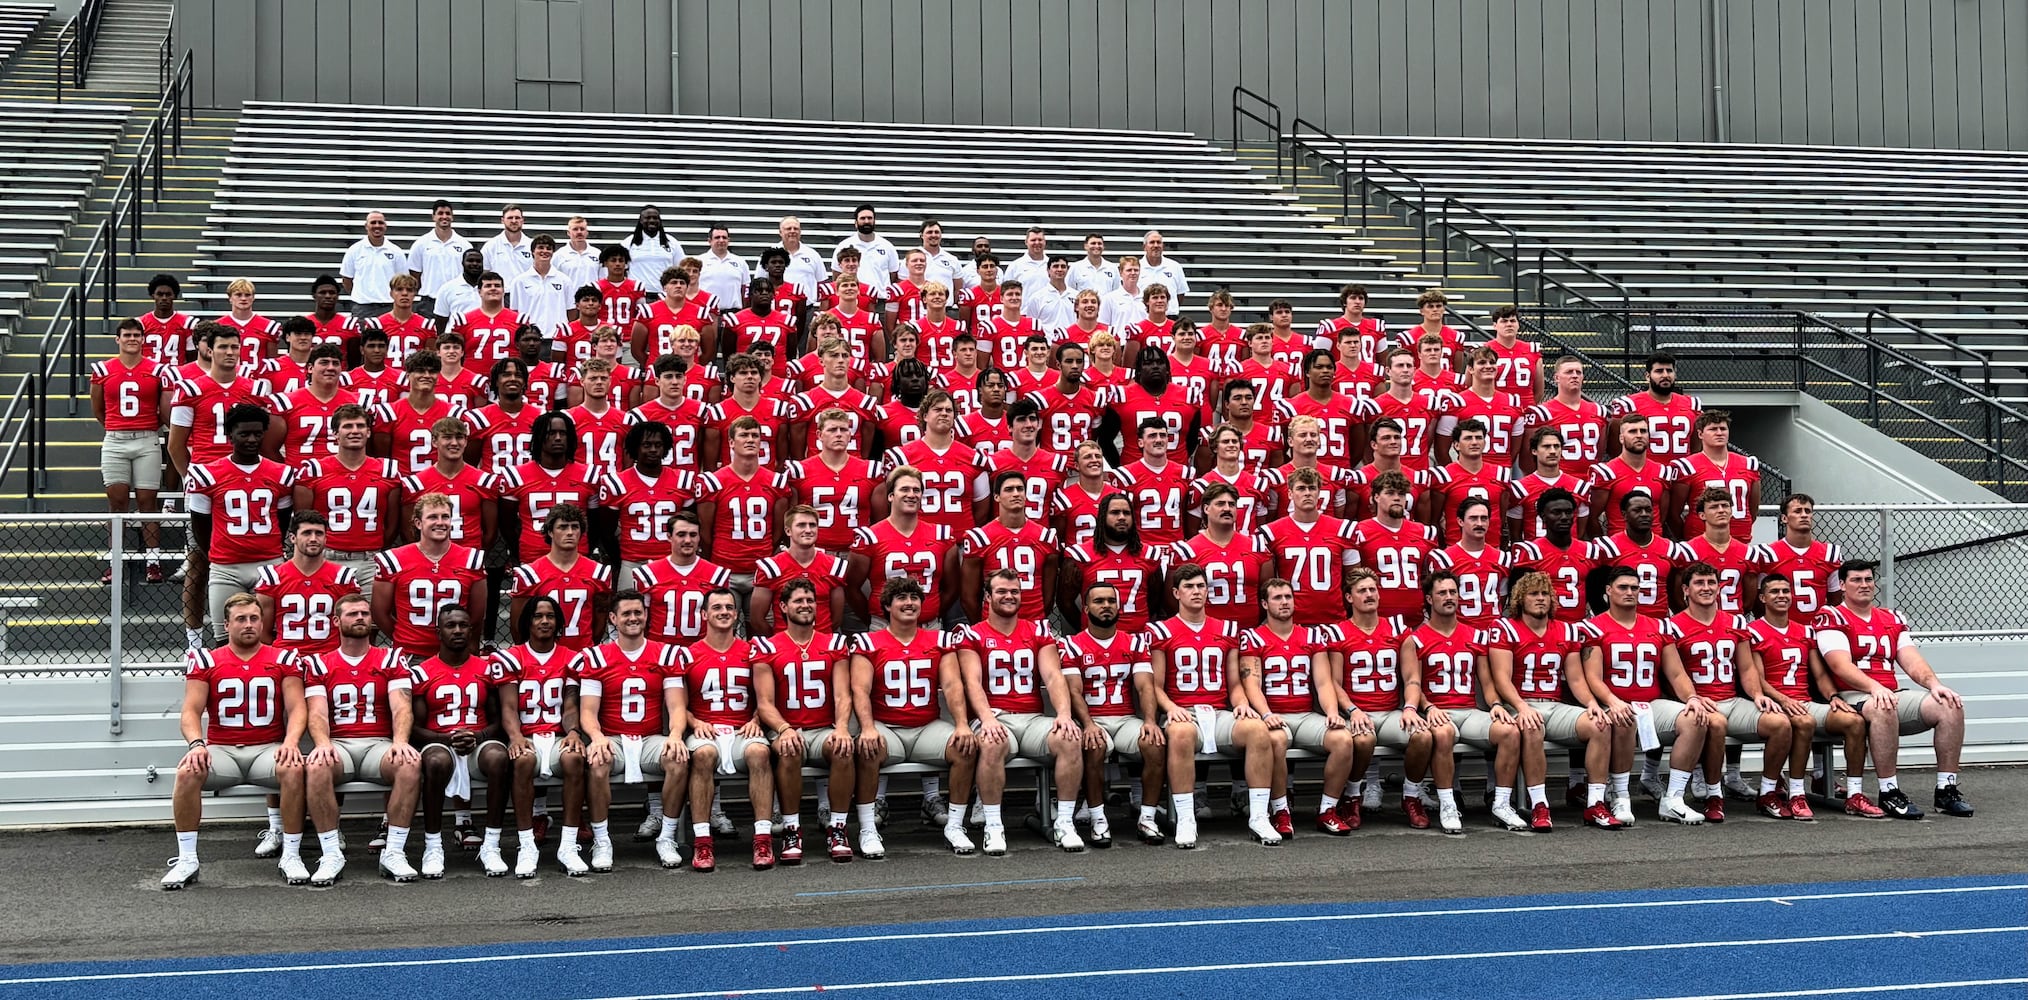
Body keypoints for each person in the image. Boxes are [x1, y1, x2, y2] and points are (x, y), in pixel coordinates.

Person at [163, 594, 318, 889]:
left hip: (267, 749)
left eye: (254, 618)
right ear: (227, 624)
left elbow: (298, 707)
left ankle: (292, 854)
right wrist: (197, 745)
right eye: (241, 619)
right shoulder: (207, 659)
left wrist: (291, 742)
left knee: (293, 768)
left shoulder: (283, 657)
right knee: (186, 772)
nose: (249, 625)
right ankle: (187, 859)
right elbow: (190, 711)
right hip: (222, 750)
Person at [1814, 560, 1973, 819]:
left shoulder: (1891, 617)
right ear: (1842, 585)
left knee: (1949, 704)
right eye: (1856, 580)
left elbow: (1911, 659)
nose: (1864, 585)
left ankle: (1946, 789)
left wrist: (1934, 684)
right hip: (1852, 694)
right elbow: (1839, 665)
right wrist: (1874, 687)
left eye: (1868, 579)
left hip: (1889, 692)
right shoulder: (1832, 616)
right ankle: (1889, 791)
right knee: (1883, 706)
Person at [957, 569, 1086, 853]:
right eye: (1002, 591)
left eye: (1014, 591)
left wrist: (1064, 714)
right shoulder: (972, 634)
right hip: (995, 716)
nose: (1009, 596)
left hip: (1032, 719)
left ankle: (1064, 822)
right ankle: (993, 825)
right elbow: (972, 682)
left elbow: (1053, 677)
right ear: (988, 597)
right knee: (992, 742)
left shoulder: (1037, 630)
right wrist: (987, 718)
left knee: (1070, 738)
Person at [1146, 563, 1273, 846]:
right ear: (1176, 593)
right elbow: (1155, 686)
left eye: (1201, 586)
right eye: (1189, 587)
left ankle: (1259, 816)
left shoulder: (1227, 629)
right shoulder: (1162, 631)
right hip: (1184, 710)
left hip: (1218, 711)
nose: (1196, 592)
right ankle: (1186, 817)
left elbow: (1235, 684)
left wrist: (1241, 704)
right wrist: (1171, 708)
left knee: (1258, 731)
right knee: (1180, 734)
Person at [300, 593, 424, 880]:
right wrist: (322, 744)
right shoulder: (320, 664)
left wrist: (400, 742)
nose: (360, 618)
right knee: (317, 765)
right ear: (336, 621)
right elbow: (316, 713)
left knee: (409, 764)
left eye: (365, 614)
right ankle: (331, 854)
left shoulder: (391, 658)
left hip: (378, 744)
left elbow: (401, 707)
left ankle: (393, 852)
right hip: (340, 744)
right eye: (353, 614)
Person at [1580, 566, 1712, 826]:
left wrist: (1692, 698)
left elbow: (1676, 674)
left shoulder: (1658, 625)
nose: (1630, 593)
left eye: (1634, 588)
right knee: (1624, 717)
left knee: (1695, 718)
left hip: (1650, 703)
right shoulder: (1595, 627)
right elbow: (1593, 677)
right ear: (1608, 591)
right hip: (1614, 703)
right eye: (1623, 587)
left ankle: (1673, 799)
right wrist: (1613, 702)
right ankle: (1620, 795)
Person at [571, 589, 688, 873]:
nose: (633, 618)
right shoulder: (597, 658)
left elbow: (676, 706)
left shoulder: (665, 653)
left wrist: (674, 736)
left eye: (638, 612)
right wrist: (597, 738)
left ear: (646, 615)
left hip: (650, 738)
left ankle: (667, 837)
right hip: (613, 738)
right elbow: (587, 711)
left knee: (678, 758)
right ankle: (602, 841)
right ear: (613, 618)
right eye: (626, 613)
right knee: (597, 761)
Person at [850, 578, 967, 858]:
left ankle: (955, 825)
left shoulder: (939, 640)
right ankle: (867, 828)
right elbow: (860, 689)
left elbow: (952, 686)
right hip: (886, 725)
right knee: (868, 748)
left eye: (914, 597)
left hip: (927, 726)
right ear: (887, 605)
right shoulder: (869, 642)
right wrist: (867, 727)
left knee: (965, 747)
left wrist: (962, 724)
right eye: (901, 597)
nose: (909, 603)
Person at [751, 578, 857, 864]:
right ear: (783, 607)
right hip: (787, 728)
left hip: (823, 728)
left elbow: (842, 694)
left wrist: (843, 728)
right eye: (799, 600)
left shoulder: (833, 643)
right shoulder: (768, 646)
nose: (806, 605)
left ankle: (837, 827)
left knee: (843, 748)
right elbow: (765, 704)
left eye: (810, 600)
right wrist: (784, 729)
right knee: (789, 749)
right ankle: (791, 829)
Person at [671, 587, 776, 872]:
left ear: (737, 613)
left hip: (743, 729)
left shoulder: (753, 650)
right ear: (704, 614)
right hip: (706, 730)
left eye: (729, 607)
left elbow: (766, 697)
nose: (724, 612)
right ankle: (703, 841)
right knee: (703, 755)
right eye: (717, 608)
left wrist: (756, 719)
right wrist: (695, 723)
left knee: (758, 753)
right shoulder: (688, 654)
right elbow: (678, 705)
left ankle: (763, 837)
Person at [1058, 581, 1164, 845]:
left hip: (1125, 717)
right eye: (1098, 601)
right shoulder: (1072, 645)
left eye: (1110, 601)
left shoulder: (1135, 642)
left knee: (1154, 743)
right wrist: (1089, 724)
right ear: (1086, 607)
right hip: (1092, 720)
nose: (1106, 606)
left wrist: (1150, 721)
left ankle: (1147, 818)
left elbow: (1145, 686)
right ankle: (1098, 818)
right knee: (1093, 745)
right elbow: (1074, 692)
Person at [1484, 571, 1590, 832]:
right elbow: (1501, 679)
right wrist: (1521, 706)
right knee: (1531, 726)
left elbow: (1576, 680)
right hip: (1519, 702)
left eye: (1544, 593)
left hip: (1554, 705)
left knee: (1599, 724)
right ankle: (1540, 803)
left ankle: (1597, 801)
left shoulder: (1566, 629)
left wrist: (1593, 705)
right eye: (1533, 594)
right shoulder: (1505, 627)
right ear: (1521, 598)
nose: (1540, 598)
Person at [1318, 567, 1424, 827]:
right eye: (1362, 590)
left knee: (1423, 736)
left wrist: (1410, 707)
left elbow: (1412, 677)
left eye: (1372, 589)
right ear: (1349, 597)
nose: (1369, 595)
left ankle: (1411, 796)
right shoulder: (1339, 632)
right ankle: (1352, 795)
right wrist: (1352, 710)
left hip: (1389, 712)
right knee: (1364, 739)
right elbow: (1334, 682)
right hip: (1355, 711)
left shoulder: (1398, 628)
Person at [1747, 574, 1857, 821]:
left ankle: (1856, 794)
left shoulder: (1805, 631)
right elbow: (1757, 678)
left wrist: (1833, 696)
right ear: (1763, 598)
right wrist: (1783, 700)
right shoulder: (1753, 631)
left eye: (1786, 591)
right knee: (1805, 722)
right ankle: (1797, 792)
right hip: (1773, 702)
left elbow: (1818, 675)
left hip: (1803, 701)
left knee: (1854, 721)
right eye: (1774, 592)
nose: (1782, 596)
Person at [185, 403, 297, 646]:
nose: (252, 439)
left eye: (257, 433)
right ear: (230, 435)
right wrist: (217, 555)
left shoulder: (281, 473)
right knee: (225, 641)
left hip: (269, 564)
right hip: (227, 566)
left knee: (269, 640)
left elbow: (283, 519)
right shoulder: (207, 474)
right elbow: (200, 525)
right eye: (244, 433)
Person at [1665, 562, 1765, 824]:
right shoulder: (1673, 626)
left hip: (1731, 698)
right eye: (1699, 583)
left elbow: (1746, 667)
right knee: (1717, 723)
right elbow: (1674, 673)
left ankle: (1770, 791)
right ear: (1685, 590)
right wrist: (1693, 697)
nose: (1706, 588)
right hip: (1699, 700)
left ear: (1720, 588)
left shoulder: (1735, 621)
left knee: (1781, 724)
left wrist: (1756, 695)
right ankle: (1714, 793)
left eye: (1711, 583)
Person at [1237, 578, 1336, 838]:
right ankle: (1280, 810)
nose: (1284, 602)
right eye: (1278, 597)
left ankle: (1328, 809)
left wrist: (1332, 712)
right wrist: (1266, 714)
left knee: (1343, 740)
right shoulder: (1253, 636)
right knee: (1276, 741)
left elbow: (1324, 682)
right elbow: (1252, 684)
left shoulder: (1312, 635)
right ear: (1264, 603)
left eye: (1288, 597)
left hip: (1304, 715)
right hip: (1274, 715)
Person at [485, 594, 577, 872]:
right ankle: (527, 845)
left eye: (550, 616)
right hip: (527, 733)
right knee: (523, 759)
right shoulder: (512, 658)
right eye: (538, 616)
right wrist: (514, 737)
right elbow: (509, 707)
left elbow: (571, 705)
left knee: (574, 759)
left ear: (559, 622)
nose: (545, 621)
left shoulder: (572, 658)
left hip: (557, 734)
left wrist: (573, 732)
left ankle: (569, 845)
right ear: (527, 622)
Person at [290, 404, 401, 602]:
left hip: (369, 560)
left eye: (360, 426)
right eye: (348, 426)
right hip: (327, 558)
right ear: (335, 434)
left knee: (366, 625)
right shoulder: (313, 470)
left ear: (368, 432)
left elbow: (392, 523)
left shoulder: (387, 471)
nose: (355, 431)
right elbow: (304, 520)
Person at [92, 318, 171, 584]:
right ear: (118, 339)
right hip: (115, 440)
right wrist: (116, 427)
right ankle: (115, 562)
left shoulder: (157, 369)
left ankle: (153, 561)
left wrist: (147, 426)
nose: (132, 339)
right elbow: (98, 408)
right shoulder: (103, 369)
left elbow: (165, 409)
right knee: (117, 502)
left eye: (137, 334)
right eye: (127, 335)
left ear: (143, 338)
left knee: (148, 501)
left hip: (147, 438)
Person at [696, 416, 790, 622]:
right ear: (731, 442)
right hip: (725, 569)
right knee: (727, 634)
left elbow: (778, 530)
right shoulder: (714, 482)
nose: (750, 440)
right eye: (744, 435)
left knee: (763, 631)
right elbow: (705, 531)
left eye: (755, 435)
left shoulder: (776, 482)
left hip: (761, 570)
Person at [371, 494, 488, 659]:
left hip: (453, 654)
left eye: (445, 517)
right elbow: (380, 613)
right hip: (410, 653)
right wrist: (405, 637)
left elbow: (476, 615)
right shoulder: (393, 560)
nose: (440, 522)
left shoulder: (471, 559)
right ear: (418, 523)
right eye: (433, 517)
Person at [849, 466, 958, 629]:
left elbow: (952, 587)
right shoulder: (870, 537)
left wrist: (933, 613)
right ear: (891, 495)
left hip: (929, 627)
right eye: (904, 489)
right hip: (884, 626)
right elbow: (851, 588)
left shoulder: (942, 535)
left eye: (917, 490)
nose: (911, 495)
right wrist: (874, 619)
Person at [597, 420, 695, 587]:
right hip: (632, 562)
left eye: (658, 445)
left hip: (671, 561)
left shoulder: (683, 481)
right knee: (628, 610)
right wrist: (620, 559)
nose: (653, 450)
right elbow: (607, 532)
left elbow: (691, 526)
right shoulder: (616, 483)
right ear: (635, 447)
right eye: (647, 445)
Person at [1259, 467, 1359, 628]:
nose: (1307, 493)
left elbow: (1353, 579)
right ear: (1290, 494)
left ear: (1319, 493)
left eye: (1312, 488)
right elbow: (1267, 583)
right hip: (1291, 623)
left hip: (1333, 621)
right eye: (1301, 488)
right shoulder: (1271, 533)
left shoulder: (1343, 530)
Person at [508, 502, 612, 653]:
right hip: (544, 657)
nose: (570, 532)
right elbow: (518, 627)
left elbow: (599, 625)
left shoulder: (598, 573)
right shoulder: (530, 574)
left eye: (575, 527)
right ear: (550, 532)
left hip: (582, 655)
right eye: (563, 527)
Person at [253, 511, 359, 658]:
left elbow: (350, 630)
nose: (313, 538)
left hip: (328, 659)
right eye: (307, 533)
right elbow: (263, 632)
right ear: (293, 538)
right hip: (286, 659)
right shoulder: (273, 578)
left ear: (326, 538)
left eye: (319, 533)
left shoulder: (342, 578)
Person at [497, 410, 596, 565]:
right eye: (550, 433)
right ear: (539, 437)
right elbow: (507, 525)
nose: (557, 438)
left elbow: (594, 524)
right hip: (532, 557)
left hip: (577, 558)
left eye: (562, 433)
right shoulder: (515, 476)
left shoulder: (589, 475)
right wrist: (521, 550)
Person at [959, 471, 1058, 624]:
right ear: (996, 496)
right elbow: (968, 597)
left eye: (1020, 489)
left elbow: (1048, 596)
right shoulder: (980, 538)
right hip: (993, 625)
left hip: (1034, 623)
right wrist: (984, 625)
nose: (1016, 494)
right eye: (1009, 489)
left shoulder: (1046, 537)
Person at [1061, 492, 1168, 633]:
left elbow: (1154, 599)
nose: (1122, 517)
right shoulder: (1080, 555)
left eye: (1127, 513)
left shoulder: (1150, 555)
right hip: (1095, 641)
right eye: (1115, 512)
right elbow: (1065, 602)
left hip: (1137, 640)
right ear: (1102, 516)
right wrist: (1089, 629)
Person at [784, 407, 882, 557]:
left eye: (843, 430)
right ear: (819, 435)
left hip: (856, 552)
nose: (838, 434)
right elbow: (791, 518)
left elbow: (879, 521)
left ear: (850, 435)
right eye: (832, 430)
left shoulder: (870, 470)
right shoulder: (800, 471)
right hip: (815, 552)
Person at [1350, 471, 1439, 628]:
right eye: (1390, 493)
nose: (1397, 498)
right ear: (1376, 497)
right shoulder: (1359, 532)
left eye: (1402, 494)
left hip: (1417, 621)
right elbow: (1353, 579)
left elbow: (1430, 579)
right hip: (1376, 622)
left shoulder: (1425, 532)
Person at [399, 418, 498, 551]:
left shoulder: (484, 481)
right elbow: (409, 532)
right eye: (447, 437)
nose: (454, 443)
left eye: (459, 437)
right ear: (434, 441)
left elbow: (490, 533)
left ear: (466, 441)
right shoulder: (416, 484)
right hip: (430, 558)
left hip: (468, 558)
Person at [633, 511, 731, 645]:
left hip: (700, 652)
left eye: (693, 535)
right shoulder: (647, 574)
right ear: (669, 537)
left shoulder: (717, 575)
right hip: (660, 651)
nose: (688, 540)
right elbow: (640, 620)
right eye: (681, 534)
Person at [1668, 410, 1761, 542]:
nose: (1719, 433)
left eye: (1723, 428)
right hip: (1700, 541)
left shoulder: (1748, 464)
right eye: (1712, 429)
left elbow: (1753, 508)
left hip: (1740, 541)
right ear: (1700, 434)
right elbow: (1674, 513)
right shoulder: (1687, 466)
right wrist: (1686, 540)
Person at [1592, 492, 1685, 620]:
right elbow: (1595, 593)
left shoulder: (1670, 549)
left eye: (1648, 510)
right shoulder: (1609, 548)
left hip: (1659, 623)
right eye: (1637, 510)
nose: (1644, 514)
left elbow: (1674, 594)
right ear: (1624, 515)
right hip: (1622, 623)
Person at [1509, 488, 1597, 623]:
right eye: (1556, 512)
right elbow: (1518, 599)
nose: (1564, 517)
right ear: (1543, 516)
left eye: (1568, 512)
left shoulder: (1590, 551)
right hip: (1545, 628)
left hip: (1580, 625)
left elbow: (1596, 593)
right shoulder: (1530, 552)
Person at [1750, 493, 1844, 617]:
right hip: (1783, 629)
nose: (1804, 515)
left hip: (1817, 628)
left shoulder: (1829, 553)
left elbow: (1835, 600)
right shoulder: (1768, 554)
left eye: (1808, 511)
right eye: (1798, 511)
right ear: (1784, 518)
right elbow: (1759, 601)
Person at [1435, 346, 1528, 468]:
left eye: (1492, 362)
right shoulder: (1456, 401)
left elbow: (1514, 450)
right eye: (1482, 362)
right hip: (1467, 474)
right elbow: (1441, 450)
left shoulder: (1513, 401)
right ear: (1471, 369)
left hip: (1501, 474)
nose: (1488, 366)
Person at [1106, 417, 1192, 549]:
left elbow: (1190, 517)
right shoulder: (1126, 476)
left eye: (1163, 435)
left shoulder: (1185, 474)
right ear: (1141, 442)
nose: (1158, 440)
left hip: (1175, 549)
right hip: (1142, 550)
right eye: (1152, 436)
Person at [1520, 357, 1610, 481]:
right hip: (1557, 482)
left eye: (1578, 372)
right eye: (1569, 372)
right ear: (1556, 378)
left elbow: (1599, 452)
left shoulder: (1599, 411)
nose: (1574, 376)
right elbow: (1527, 460)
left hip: (1589, 482)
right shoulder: (1542, 413)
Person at [1424, 418, 1510, 546]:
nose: (1474, 442)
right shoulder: (1444, 476)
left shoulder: (1501, 474)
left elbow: (1501, 517)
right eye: (1468, 438)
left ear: (1485, 443)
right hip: (1455, 549)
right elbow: (1435, 519)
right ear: (1456, 445)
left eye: (1479, 438)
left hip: (1492, 548)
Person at [1427, 496, 1509, 631]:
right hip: (1460, 633)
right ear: (1460, 521)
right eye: (1473, 518)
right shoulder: (1445, 559)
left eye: (1484, 518)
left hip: (1493, 633)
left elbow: (1502, 598)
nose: (1480, 523)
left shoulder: (1502, 558)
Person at [1589, 412, 1674, 539]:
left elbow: (1661, 516)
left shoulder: (1662, 472)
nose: (1639, 435)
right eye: (1633, 431)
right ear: (1621, 438)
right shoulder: (1607, 472)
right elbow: (1593, 517)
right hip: (1620, 545)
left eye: (1643, 431)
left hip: (1654, 543)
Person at [1608, 353, 1702, 467]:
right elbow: (1615, 447)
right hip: (1647, 475)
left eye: (1669, 371)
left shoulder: (1691, 404)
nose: (1665, 375)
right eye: (1659, 371)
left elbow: (1696, 446)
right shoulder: (1629, 405)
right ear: (1648, 376)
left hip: (1682, 475)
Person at [371, 350, 457, 474]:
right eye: (420, 371)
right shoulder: (389, 413)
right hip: (403, 484)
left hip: (438, 484)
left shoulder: (452, 413)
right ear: (408, 376)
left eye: (432, 371)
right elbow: (383, 459)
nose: (427, 375)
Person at [1678, 486, 1758, 614]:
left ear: (1731, 511)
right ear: (1702, 515)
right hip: (1700, 623)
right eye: (1714, 507)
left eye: (1725, 506)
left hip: (1734, 623)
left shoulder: (1748, 552)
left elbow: (1749, 602)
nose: (1721, 510)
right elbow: (1679, 598)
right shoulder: (1688, 551)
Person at [1509, 428, 1593, 543]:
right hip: (1536, 554)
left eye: (1557, 446)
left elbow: (1580, 532)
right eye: (1546, 446)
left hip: (1568, 554)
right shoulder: (1520, 488)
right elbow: (1515, 535)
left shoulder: (1579, 487)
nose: (1553, 451)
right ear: (1534, 451)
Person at [567, 354, 632, 483]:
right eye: (593, 378)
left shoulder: (625, 419)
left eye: (603, 378)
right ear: (582, 381)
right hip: (580, 485)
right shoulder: (569, 418)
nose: (599, 382)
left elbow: (628, 462)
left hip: (614, 486)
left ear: (610, 381)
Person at [408, 201, 473, 318]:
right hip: (429, 303)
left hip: (457, 300)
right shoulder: (421, 244)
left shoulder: (464, 245)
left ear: (452, 217)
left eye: (448, 213)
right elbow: (414, 275)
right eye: (440, 213)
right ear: (433, 217)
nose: (444, 216)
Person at [340, 211, 408, 322]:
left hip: (389, 308)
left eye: (380, 223)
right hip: (362, 309)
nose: (377, 226)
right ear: (366, 226)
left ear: (385, 226)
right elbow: (347, 280)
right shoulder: (354, 250)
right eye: (373, 222)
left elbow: (403, 281)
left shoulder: (396, 251)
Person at [506, 234, 571, 338]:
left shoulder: (565, 280)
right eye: (540, 247)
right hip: (529, 337)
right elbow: (514, 312)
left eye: (548, 248)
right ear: (532, 251)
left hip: (557, 337)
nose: (545, 251)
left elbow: (571, 310)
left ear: (553, 252)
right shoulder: (519, 281)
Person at [1476, 304, 1541, 402]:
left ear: (1518, 325)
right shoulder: (1483, 349)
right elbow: (1471, 384)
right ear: (1495, 326)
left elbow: (1539, 390)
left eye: (1513, 321)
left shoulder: (1532, 349)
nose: (1509, 324)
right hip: (1496, 408)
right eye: (1504, 321)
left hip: (1525, 408)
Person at [1316, 283, 1388, 369]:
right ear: (1344, 302)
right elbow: (1319, 359)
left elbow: (1383, 360)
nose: (1357, 302)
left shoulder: (1376, 326)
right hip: (1340, 377)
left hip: (1369, 377)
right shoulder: (1330, 327)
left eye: (1361, 298)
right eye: (1353, 298)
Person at [833, 204, 902, 290]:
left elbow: (893, 275)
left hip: (880, 299)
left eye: (869, 218)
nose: (866, 221)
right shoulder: (844, 245)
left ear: (874, 221)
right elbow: (837, 274)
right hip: (853, 298)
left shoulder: (887, 246)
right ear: (855, 223)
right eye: (862, 218)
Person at [213, 278, 280, 365]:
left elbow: (272, 361)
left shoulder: (268, 326)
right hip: (227, 377)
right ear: (230, 298)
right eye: (238, 295)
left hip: (257, 377)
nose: (243, 298)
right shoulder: (217, 326)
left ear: (253, 298)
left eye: (247, 295)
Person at [140, 273, 198, 366]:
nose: (164, 298)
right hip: (148, 375)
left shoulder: (187, 323)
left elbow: (192, 358)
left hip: (177, 374)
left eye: (168, 294)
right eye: (160, 294)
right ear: (153, 295)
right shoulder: (141, 324)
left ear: (174, 296)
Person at [1400, 288, 1465, 369]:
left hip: (1448, 381)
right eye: (1430, 306)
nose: (1435, 309)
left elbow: (1457, 369)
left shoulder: (1456, 336)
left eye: (1438, 306)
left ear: (1444, 309)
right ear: (1421, 311)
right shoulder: (1409, 337)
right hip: (1419, 381)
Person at [695, 224, 749, 317]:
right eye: (717, 237)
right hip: (707, 314)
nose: (721, 240)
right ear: (709, 241)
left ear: (729, 241)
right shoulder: (699, 261)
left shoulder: (740, 262)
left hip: (734, 314)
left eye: (724, 237)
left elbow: (746, 290)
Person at [623, 206, 684, 289]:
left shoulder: (672, 242)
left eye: (655, 218)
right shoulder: (628, 242)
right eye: (647, 218)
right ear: (641, 221)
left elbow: (681, 268)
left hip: (665, 294)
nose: (652, 220)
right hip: (637, 294)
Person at [345, 323, 404, 408]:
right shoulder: (348, 379)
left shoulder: (400, 378)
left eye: (381, 346)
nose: (377, 350)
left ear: (387, 349)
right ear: (362, 350)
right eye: (371, 346)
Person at [432, 248, 489, 331]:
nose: (475, 263)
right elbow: (441, 320)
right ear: (462, 263)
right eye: (470, 260)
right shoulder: (447, 288)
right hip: (457, 339)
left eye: (478, 261)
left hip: (483, 336)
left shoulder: (490, 288)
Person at [1130, 230, 1189, 306]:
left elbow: (1180, 294)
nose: (1156, 245)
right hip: (1143, 315)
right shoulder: (1136, 268)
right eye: (1152, 242)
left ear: (1163, 246)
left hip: (1170, 316)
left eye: (1158, 242)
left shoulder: (1175, 266)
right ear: (1144, 247)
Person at [481, 203, 533, 282]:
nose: (514, 221)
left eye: (517, 218)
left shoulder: (532, 246)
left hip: (525, 293)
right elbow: (484, 273)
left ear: (522, 220)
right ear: (502, 220)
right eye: (510, 218)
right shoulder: (491, 246)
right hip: (499, 293)